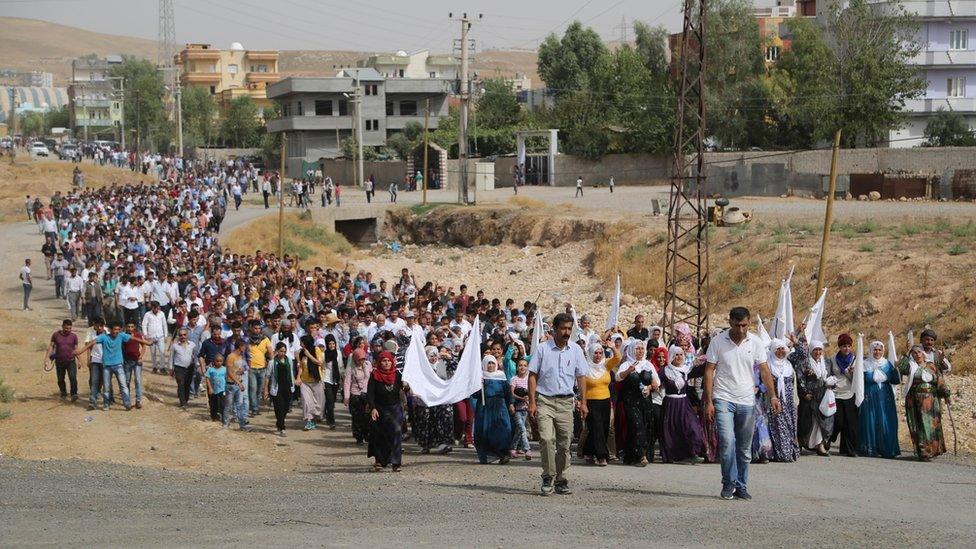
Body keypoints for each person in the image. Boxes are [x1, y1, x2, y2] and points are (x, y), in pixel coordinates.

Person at [703, 307, 781, 501]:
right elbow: (709, 371)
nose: (740, 329)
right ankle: (728, 483)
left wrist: (773, 396)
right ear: (730, 322)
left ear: (749, 323)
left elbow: (764, 370)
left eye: (744, 325)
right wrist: (709, 401)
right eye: (737, 325)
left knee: (744, 448)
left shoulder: (755, 342)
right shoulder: (718, 341)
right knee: (727, 442)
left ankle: (741, 485)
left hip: (747, 401)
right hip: (723, 399)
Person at [528, 312, 588, 496]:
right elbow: (532, 375)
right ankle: (548, 476)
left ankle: (560, 478)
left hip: (565, 402)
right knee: (546, 439)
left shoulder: (576, 350)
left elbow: (581, 376)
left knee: (564, 444)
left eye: (569, 328)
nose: (566, 332)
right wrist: (532, 402)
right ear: (554, 329)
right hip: (545, 400)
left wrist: (583, 402)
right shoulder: (542, 349)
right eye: (563, 328)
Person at [75, 321, 152, 411]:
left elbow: (134, 338)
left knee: (123, 385)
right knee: (107, 387)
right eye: (115, 329)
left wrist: (146, 342)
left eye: (118, 329)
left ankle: (127, 404)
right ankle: (106, 404)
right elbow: (92, 343)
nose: (116, 331)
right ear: (110, 329)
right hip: (107, 366)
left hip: (119, 365)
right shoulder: (104, 337)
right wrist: (80, 352)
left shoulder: (121, 336)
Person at [898, 344, 950, 461]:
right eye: (914, 353)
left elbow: (940, 380)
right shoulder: (911, 367)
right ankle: (924, 452)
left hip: (931, 401)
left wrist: (946, 394)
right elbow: (901, 368)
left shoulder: (931, 366)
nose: (917, 355)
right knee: (920, 425)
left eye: (919, 352)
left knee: (932, 425)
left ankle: (934, 450)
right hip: (915, 400)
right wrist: (906, 353)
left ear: (923, 353)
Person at [615, 338, 659, 466]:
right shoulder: (626, 364)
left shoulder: (648, 364)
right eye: (637, 349)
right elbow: (618, 377)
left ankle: (632, 454)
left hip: (645, 401)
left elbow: (656, 381)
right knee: (636, 424)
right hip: (631, 401)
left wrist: (651, 387)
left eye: (641, 349)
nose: (640, 351)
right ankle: (641, 455)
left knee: (644, 425)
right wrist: (628, 371)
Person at [659, 345, 706, 464]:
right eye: (676, 355)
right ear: (671, 356)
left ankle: (694, 453)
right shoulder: (665, 371)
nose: (679, 357)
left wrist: (711, 360)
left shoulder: (686, 370)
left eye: (681, 354)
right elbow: (656, 381)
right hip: (670, 404)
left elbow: (702, 370)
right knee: (672, 429)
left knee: (692, 426)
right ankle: (673, 455)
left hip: (684, 404)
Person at [789, 338, 835, 456]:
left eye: (820, 350)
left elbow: (832, 376)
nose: (818, 352)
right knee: (806, 421)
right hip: (809, 397)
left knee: (822, 422)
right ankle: (800, 443)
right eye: (815, 350)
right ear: (811, 350)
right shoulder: (804, 362)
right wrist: (805, 393)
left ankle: (820, 445)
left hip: (823, 396)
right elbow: (800, 378)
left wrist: (831, 383)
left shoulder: (827, 362)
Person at [859, 340, 900, 458]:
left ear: (883, 351)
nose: (877, 352)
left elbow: (895, 380)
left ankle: (887, 449)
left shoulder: (887, 364)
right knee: (871, 421)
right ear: (871, 350)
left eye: (880, 350)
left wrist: (896, 370)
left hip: (885, 397)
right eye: (875, 350)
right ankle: (871, 449)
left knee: (885, 421)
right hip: (869, 397)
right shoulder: (865, 364)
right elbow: (859, 381)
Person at [367, 351, 406, 472]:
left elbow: (404, 388)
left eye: (389, 361)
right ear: (379, 362)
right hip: (380, 409)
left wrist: (406, 386)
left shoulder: (397, 375)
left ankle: (396, 462)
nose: (386, 363)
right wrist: (373, 408)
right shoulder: (374, 375)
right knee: (380, 434)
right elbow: (370, 394)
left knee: (396, 431)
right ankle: (380, 461)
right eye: (384, 361)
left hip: (395, 408)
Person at [581, 340, 616, 466]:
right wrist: (582, 402)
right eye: (595, 353)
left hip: (605, 401)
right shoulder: (584, 367)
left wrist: (612, 348)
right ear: (590, 354)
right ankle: (602, 456)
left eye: (600, 353)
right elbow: (581, 386)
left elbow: (618, 358)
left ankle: (588, 451)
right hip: (591, 401)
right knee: (596, 428)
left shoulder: (605, 365)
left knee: (604, 428)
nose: (598, 355)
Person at [474, 355, 514, 464]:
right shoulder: (480, 377)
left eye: (492, 363)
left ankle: (502, 454)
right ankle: (488, 456)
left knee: (504, 429)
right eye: (488, 363)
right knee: (485, 431)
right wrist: (478, 385)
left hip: (500, 406)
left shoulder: (501, 376)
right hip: (485, 407)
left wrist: (511, 404)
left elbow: (508, 392)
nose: (491, 365)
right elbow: (474, 394)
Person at [766, 339, 800, 462]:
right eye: (778, 349)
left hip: (790, 402)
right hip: (776, 401)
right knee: (779, 427)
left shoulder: (789, 363)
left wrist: (795, 341)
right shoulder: (768, 365)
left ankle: (791, 452)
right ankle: (782, 454)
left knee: (791, 427)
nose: (781, 352)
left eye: (783, 349)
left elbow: (803, 355)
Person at [830, 333, 860, 458]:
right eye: (843, 346)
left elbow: (858, 380)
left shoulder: (856, 360)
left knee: (850, 424)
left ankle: (849, 449)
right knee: (838, 421)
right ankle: (830, 438)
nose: (846, 348)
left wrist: (852, 373)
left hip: (850, 393)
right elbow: (830, 374)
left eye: (848, 346)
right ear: (840, 347)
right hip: (836, 393)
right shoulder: (832, 359)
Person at [265, 343, 295, 437]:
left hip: (287, 387)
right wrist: (265, 389)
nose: (283, 353)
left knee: (286, 408)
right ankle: (282, 427)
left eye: (284, 351)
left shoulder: (289, 360)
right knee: (279, 408)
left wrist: (294, 383)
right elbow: (267, 376)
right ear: (277, 351)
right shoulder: (272, 363)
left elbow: (291, 373)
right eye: (281, 351)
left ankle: (279, 422)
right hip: (276, 388)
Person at [46, 319, 79, 401]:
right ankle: (63, 393)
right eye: (66, 328)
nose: (68, 330)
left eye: (70, 328)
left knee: (73, 377)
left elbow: (76, 349)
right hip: (59, 361)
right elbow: (51, 346)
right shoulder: (56, 335)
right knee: (60, 379)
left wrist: (79, 361)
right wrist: (47, 358)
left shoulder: (74, 336)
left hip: (71, 361)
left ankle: (74, 394)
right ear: (62, 327)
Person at [344, 348, 372, 444]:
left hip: (366, 394)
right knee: (357, 418)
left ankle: (367, 435)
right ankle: (358, 437)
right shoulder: (350, 368)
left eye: (363, 358)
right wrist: (346, 397)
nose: (361, 361)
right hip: (355, 395)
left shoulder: (368, 365)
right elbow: (347, 383)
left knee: (367, 417)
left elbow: (371, 379)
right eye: (359, 359)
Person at [225, 338, 252, 431]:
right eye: (244, 346)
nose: (245, 348)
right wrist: (238, 382)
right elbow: (229, 372)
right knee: (229, 405)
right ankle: (225, 424)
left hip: (238, 383)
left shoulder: (240, 357)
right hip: (231, 384)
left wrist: (242, 371)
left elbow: (238, 370)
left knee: (240, 405)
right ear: (240, 346)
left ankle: (242, 425)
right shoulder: (231, 356)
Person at [169, 327, 197, 410]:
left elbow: (195, 356)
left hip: (189, 367)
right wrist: (171, 368)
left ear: (187, 335)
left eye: (184, 334)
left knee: (187, 385)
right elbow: (171, 357)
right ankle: (183, 403)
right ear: (178, 336)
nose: (183, 336)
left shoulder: (192, 345)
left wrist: (197, 365)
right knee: (181, 384)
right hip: (179, 367)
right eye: (181, 335)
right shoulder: (175, 346)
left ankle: (186, 400)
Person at [509, 358, 531, 459]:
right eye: (520, 365)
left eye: (524, 365)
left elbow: (532, 393)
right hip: (517, 409)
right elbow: (512, 393)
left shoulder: (529, 379)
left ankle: (512, 448)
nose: (522, 367)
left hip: (526, 409)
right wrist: (522, 398)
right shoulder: (514, 379)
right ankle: (527, 449)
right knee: (522, 430)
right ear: (517, 367)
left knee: (519, 431)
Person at [205, 354, 227, 422]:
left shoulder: (225, 369)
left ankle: (224, 417)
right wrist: (210, 388)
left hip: (222, 389)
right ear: (214, 361)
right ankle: (213, 417)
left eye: (221, 361)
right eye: (217, 361)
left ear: (223, 361)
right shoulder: (210, 370)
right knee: (213, 404)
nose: (219, 363)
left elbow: (227, 378)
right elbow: (207, 378)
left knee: (223, 404)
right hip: (213, 389)